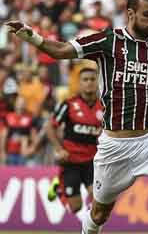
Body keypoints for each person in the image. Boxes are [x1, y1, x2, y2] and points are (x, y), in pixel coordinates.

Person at [4, 0, 148, 233]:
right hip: (115, 148)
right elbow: (62, 50)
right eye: (147, 14)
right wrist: (32, 35)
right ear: (131, 14)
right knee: (99, 214)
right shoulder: (108, 40)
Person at [45, 68, 102, 223]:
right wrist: (59, 149)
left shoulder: (104, 106)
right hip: (71, 161)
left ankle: (91, 228)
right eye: (85, 79)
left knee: (98, 198)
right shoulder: (69, 104)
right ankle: (58, 187)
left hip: (92, 161)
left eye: (92, 79)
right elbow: (49, 127)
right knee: (75, 207)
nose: (89, 82)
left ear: (97, 82)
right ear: (79, 83)